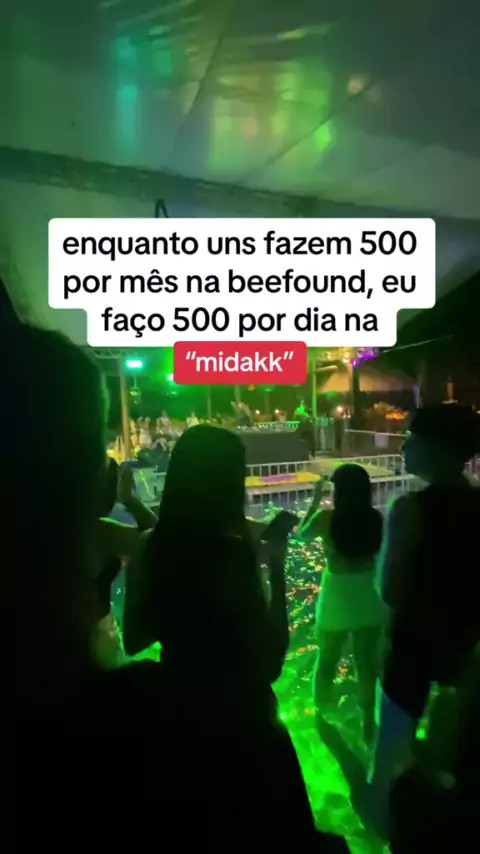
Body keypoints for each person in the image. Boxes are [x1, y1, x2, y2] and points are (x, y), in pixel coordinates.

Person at [356, 403, 480, 838]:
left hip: (412, 650)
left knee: (392, 752)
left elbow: (391, 590)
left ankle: (387, 828)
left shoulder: (409, 508)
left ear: (438, 448)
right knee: (457, 754)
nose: (404, 447)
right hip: (465, 652)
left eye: (412, 438)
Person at [123, 425, 290, 713]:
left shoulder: (148, 547)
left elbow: (133, 640)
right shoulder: (234, 555)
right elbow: (270, 665)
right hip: (240, 714)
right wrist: (276, 565)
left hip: (180, 708)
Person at [297, 466, 385, 742]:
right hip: (368, 592)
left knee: (327, 659)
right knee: (366, 662)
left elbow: (301, 535)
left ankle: (322, 716)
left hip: (336, 592)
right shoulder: (376, 519)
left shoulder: (326, 518)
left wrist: (314, 500)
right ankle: (369, 721)